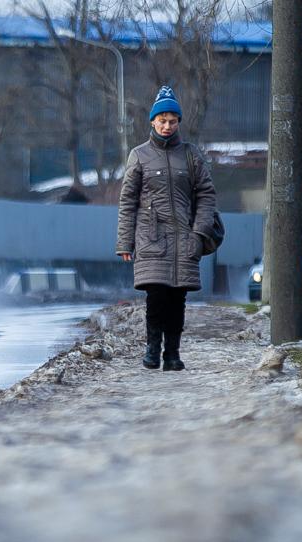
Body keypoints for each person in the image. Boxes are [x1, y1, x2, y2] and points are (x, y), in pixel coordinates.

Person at [116, 85, 219, 371]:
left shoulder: (191, 155)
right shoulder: (139, 155)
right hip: (151, 238)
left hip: (186, 238)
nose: (167, 126)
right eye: (162, 120)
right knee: (156, 295)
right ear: (152, 121)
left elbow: (207, 195)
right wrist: (125, 242)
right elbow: (127, 201)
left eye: (172, 121)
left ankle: (172, 354)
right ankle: (152, 349)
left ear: (178, 123)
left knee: (177, 298)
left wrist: (200, 232)